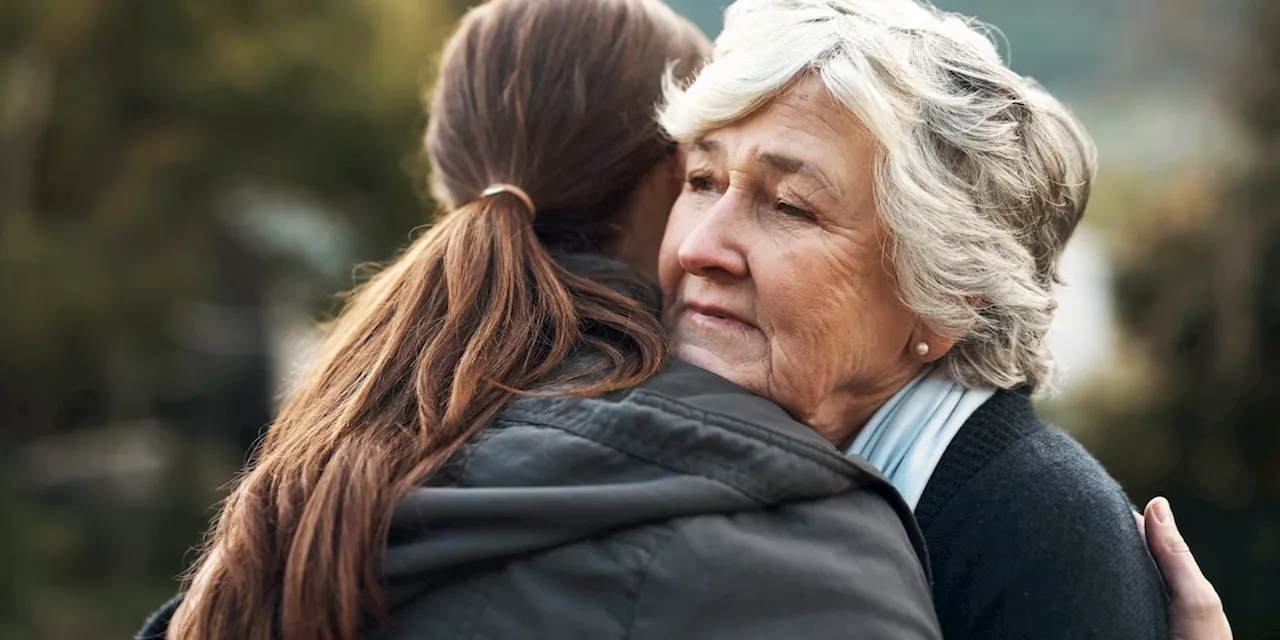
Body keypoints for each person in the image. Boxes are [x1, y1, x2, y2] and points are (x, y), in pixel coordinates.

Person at [137, 0, 941, 639]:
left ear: (448, 179)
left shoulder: (321, 462)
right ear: (668, 181)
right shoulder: (797, 541)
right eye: (704, 174)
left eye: (786, 204)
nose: (710, 237)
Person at [654, 0, 1180, 636]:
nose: (698, 248)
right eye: (702, 180)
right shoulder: (675, 445)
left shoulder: (1041, 542)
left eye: (791, 206)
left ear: (950, 292)